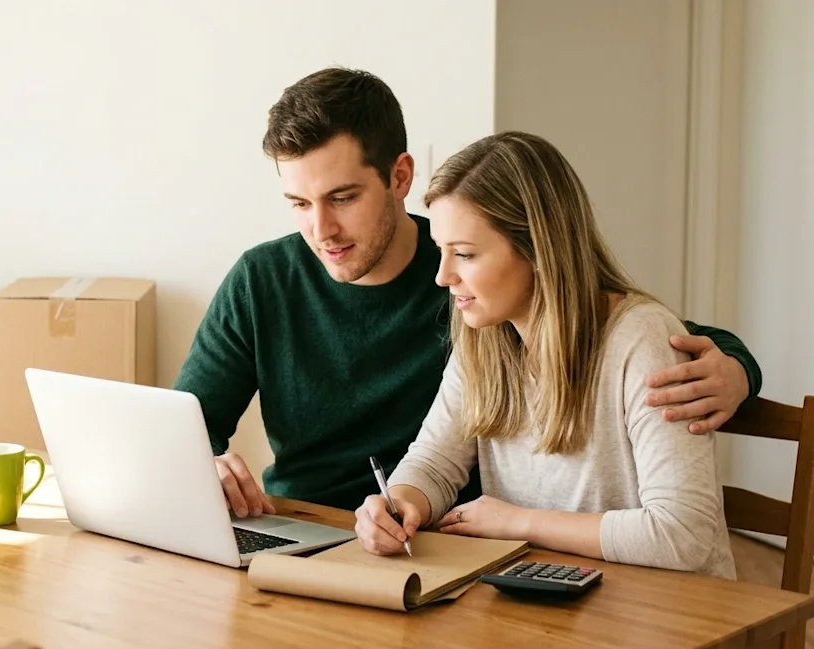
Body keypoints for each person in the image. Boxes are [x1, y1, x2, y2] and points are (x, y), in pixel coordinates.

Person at [172, 66, 762, 517]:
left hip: (443, 540)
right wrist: (207, 469)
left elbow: (615, 321)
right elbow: (188, 424)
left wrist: (736, 366)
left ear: (400, 177)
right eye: (300, 204)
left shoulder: (471, 271)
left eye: (343, 198)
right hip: (306, 525)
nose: (320, 231)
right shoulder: (262, 278)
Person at [353, 130, 735, 578]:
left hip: (674, 616)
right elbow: (435, 462)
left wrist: (518, 524)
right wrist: (400, 502)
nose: (442, 276)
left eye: (466, 254)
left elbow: (683, 536)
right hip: (550, 601)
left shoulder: (641, 340)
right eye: (442, 251)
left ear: (537, 249)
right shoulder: (484, 337)